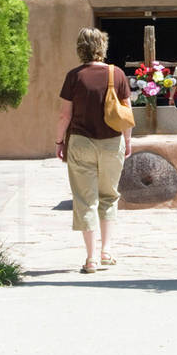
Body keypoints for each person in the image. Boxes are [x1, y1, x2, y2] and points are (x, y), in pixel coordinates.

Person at [56, 27, 133, 274]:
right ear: (103, 46)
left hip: (80, 142)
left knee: (84, 199)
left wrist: (59, 141)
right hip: (112, 142)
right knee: (109, 196)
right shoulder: (117, 74)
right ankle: (107, 251)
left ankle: (90, 259)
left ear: (80, 48)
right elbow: (126, 113)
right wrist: (127, 141)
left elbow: (64, 115)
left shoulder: (74, 76)